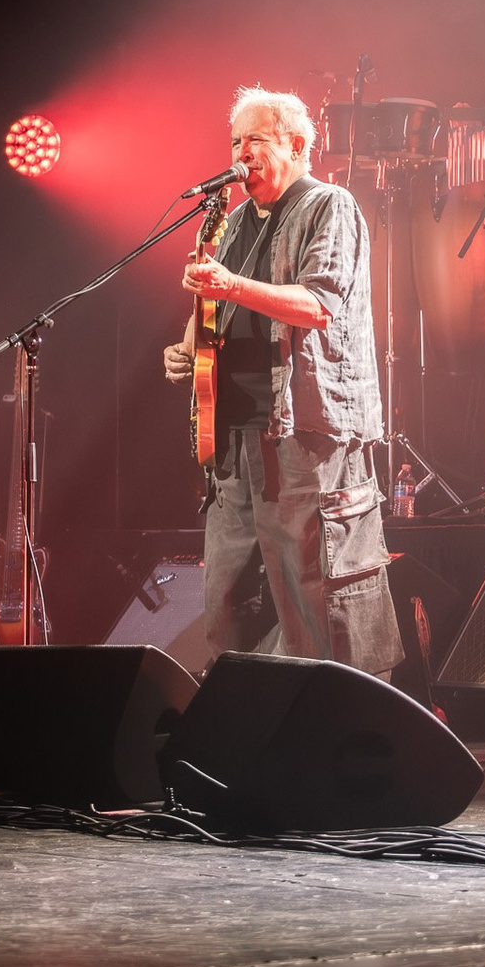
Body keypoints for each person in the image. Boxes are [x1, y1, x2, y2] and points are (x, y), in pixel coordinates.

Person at [163, 87, 404, 679]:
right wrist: (187, 350)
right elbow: (212, 313)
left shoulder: (329, 205)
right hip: (234, 437)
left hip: (304, 433)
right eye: (234, 142)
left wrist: (229, 285)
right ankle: (243, 716)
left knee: (313, 595)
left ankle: (335, 713)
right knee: (227, 601)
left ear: (296, 145)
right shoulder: (231, 223)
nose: (241, 153)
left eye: (256, 140)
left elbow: (319, 305)